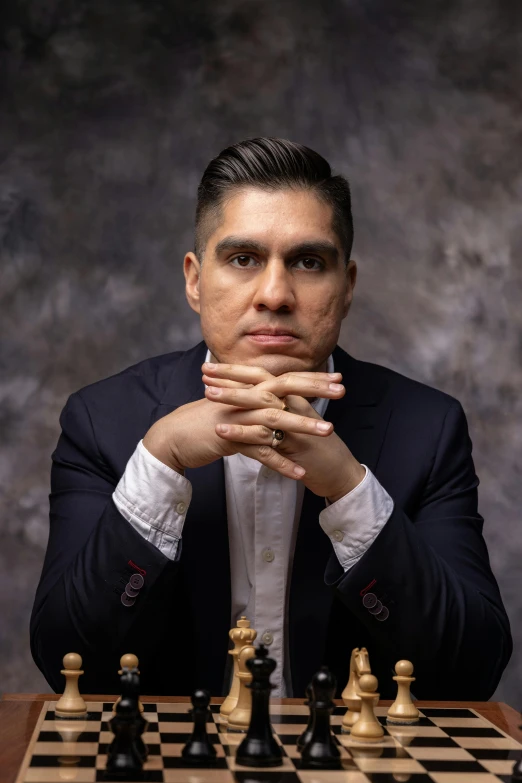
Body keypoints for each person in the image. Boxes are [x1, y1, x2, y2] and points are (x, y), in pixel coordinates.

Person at [30, 137, 511, 700]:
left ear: (347, 286)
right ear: (194, 279)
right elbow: (67, 659)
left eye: (309, 262)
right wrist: (159, 461)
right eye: (243, 259)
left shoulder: (428, 429)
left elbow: (473, 671)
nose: (276, 294)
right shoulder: (102, 422)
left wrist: (349, 489)